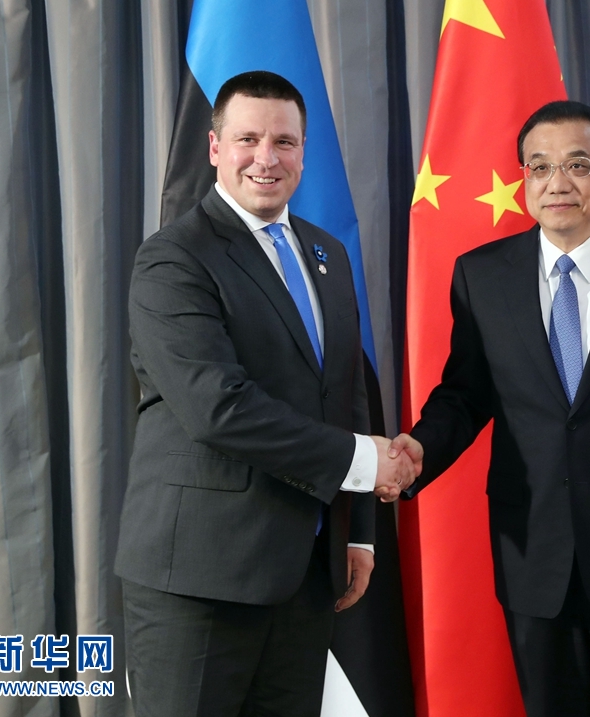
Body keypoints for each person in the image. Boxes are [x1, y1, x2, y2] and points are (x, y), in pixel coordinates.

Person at [393, 100, 590, 717]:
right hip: (533, 550)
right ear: (524, 180)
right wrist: (419, 449)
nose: (557, 182)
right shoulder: (482, 276)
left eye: (577, 164)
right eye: (539, 167)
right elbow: (466, 394)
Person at [114, 70, 413, 717]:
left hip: (306, 576)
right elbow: (219, 408)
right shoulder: (174, 258)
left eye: (284, 141)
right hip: (200, 581)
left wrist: (358, 532)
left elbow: (346, 395)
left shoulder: (327, 254)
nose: (266, 158)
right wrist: (367, 460)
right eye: (248, 139)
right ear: (215, 147)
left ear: (304, 151)